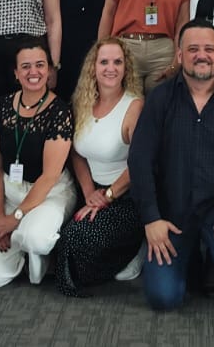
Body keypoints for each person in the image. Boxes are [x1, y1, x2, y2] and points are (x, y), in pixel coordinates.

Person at [130, 21, 214, 309]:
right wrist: (151, 219)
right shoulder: (160, 98)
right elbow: (139, 161)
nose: (201, 55)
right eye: (192, 49)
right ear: (179, 56)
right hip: (172, 213)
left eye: (208, 49)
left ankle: (213, 261)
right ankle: (190, 258)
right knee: (163, 299)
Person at [54, 38, 146, 296]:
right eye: (104, 61)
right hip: (94, 191)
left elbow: (139, 164)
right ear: (92, 67)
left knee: (78, 237)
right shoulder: (83, 102)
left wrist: (106, 197)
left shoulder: (134, 106)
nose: (111, 68)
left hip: (127, 196)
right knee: (68, 239)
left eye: (118, 62)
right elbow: (77, 154)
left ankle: (135, 248)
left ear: (126, 68)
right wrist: (89, 194)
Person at [0, 41, 77, 287]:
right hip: (10, 191)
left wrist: (15, 218)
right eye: (25, 66)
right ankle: (21, 245)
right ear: (15, 73)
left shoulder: (60, 111)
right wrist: (1, 216)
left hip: (49, 192)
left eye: (39, 65)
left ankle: (38, 250)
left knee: (34, 238)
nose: (33, 72)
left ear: (49, 70)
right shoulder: (2, 106)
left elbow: (50, 175)